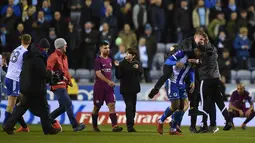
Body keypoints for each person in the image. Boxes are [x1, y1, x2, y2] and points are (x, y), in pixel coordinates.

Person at [2, 38, 62, 135]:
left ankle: (8, 125)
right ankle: (48, 130)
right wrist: (50, 74)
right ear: (44, 48)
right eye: (46, 49)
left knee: (22, 107)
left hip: (25, 86)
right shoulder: (38, 58)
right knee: (44, 109)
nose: (46, 51)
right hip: (36, 88)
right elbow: (42, 73)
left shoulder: (29, 55)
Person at [189, 33, 233, 133]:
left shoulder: (203, 48)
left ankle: (204, 124)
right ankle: (228, 120)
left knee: (204, 103)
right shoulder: (214, 48)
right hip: (216, 78)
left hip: (206, 79)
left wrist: (191, 60)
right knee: (219, 101)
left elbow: (201, 61)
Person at [47, 38, 86, 132]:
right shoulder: (53, 56)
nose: (66, 46)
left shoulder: (64, 57)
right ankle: (75, 125)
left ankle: (47, 119)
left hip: (64, 85)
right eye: (65, 45)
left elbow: (66, 71)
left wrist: (69, 80)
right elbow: (48, 70)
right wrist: (58, 77)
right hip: (57, 85)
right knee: (68, 103)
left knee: (63, 107)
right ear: (60, 46)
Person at [156, 48, 195, 135]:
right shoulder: (181, 54)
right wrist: (176, 63)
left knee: (184, 105)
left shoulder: (194, 58)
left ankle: (173, 128)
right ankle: (161, 121)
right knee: (175, 106)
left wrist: (192, 80)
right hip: (172, 82)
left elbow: (192, 70)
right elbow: (168, 61)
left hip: (182, 84)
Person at [92, 41, 123, 132]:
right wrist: (108, 81)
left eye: (108, 48)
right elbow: (98, 73)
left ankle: (114, 126)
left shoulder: (109, 60)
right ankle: (94, 126)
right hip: (99, 88)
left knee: (112, 105)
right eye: (105, 48)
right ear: (101, 49)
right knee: (96, 107)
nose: (107, 49)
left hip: (108, 88)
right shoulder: (98, 60)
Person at [2, 34, 30, 132]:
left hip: (8, 77)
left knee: (16, 103)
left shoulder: (16, 49)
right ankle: (6, 125)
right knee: (12, 104)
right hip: (14, 79)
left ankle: (20, 125)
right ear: (29, 42)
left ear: (21, 41)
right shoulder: (26, 53)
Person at [115, 48, 143, 132]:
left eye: (128, 54)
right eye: (126, 54)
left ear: (133, 56)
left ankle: (131, 124)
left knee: (133, 107)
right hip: (125, 89)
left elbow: (141, 73)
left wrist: (137, 68)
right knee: (129, 106)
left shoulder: (136, 63)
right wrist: (117, 67)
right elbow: (118, 76)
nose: (126, 55)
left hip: (134, 89)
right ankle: (129, 126)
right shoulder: (122, 64)